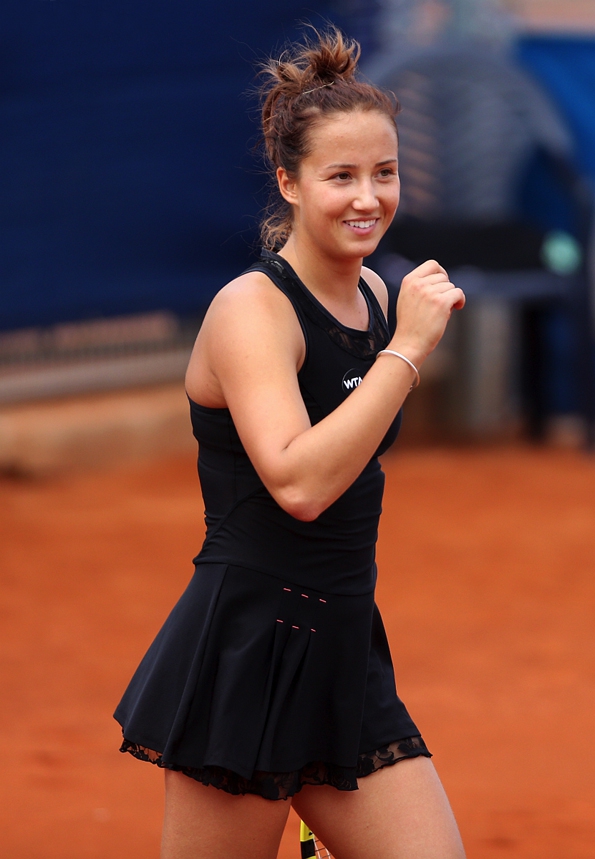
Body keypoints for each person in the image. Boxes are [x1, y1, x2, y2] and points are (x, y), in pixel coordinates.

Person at [114, 27, 466, 859]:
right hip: (245, 656)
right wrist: (406, 352)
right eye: (339, 175)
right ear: (289, 182)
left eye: (383, 173)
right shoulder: (251, 310)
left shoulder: (375, 294)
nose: (366, 197)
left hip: (343, 653)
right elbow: (299, 483)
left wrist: (393, 341)